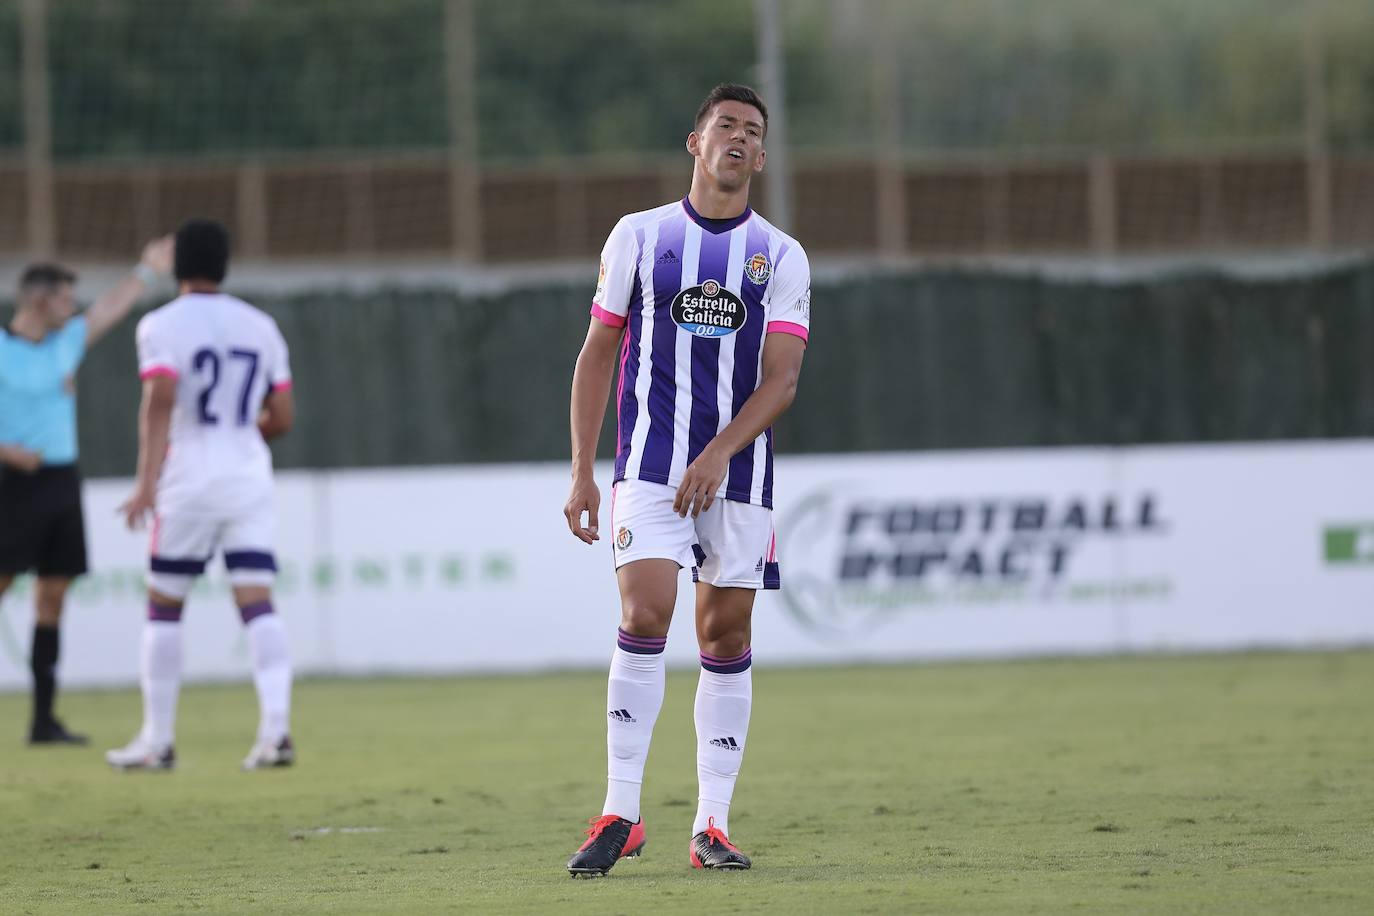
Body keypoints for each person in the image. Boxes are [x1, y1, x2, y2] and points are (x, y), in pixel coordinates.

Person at [562, 84, 811, 876]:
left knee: (724, 635)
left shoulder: (781, 254)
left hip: (737, 477)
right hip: (647, 470)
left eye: (753, 132)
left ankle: (711, 825)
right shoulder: (639, 236)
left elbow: (782, 382)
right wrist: (581, 471)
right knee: (646, 607)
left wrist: (719, 454)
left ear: (762, 159)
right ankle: (621, 811)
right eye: (726, 126)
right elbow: (599, 351)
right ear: (695, 142)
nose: (739, 139)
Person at [105, 219, 296, 772]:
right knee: (257, 601)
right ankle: (276, 732)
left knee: (164, 605)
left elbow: (160, 400)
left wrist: (145, 482)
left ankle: (158, 741)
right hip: (248, 477)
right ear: (224, 266)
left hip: (187, 479)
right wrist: (236, 438)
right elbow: (281, 416)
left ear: (179, 266)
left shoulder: (160, 324)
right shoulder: (260, 325)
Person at [0, 237, 173, 744]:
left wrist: (147, 271)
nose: (72, 308)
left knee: (53, 597)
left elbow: (108, 310)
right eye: (63, 298)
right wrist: (6, 451)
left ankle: (43, 720)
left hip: (59, 482)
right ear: (37, 300)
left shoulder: (65, 343)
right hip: (11, 483)